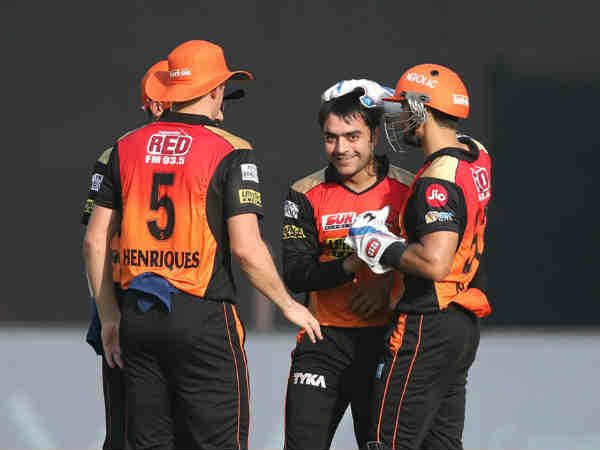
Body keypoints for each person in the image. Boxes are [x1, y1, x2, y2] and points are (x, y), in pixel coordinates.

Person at [82, 39, 322, 450]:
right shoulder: (231, 149)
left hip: (138, 315)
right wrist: (287, 304)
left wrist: (108, 316)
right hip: (202, 316)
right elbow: (246, 248)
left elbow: (94, 240)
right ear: (214, 90)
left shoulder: (124, 147)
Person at [344, 64, 492, 449]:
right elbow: (456, 133)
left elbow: (434, 262)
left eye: (403, 109)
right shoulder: (477, 155)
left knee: (387, 441)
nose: (397, 119)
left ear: (422, 110)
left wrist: (378, 244)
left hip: (427, 322)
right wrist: (391, 97)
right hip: (461, 323)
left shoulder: (435, 182)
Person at [282, 80, 414, 450]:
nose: (341, 149)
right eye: (331, 138)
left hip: (386, 341)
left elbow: (432, 261)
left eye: (352, 136)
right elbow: (296, 274)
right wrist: (355, 262)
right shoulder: (304, 192)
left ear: (374, 136)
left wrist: (386, 286)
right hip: (322, 341)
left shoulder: (408, 189)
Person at [82, 59, 170, 450]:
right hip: (139, 304)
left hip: (160, 307)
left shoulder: (117, 152)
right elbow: (96, 240)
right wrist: (108, 314)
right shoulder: (117, 154)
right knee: (130, 432)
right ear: (157, 105)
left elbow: (93, 241)